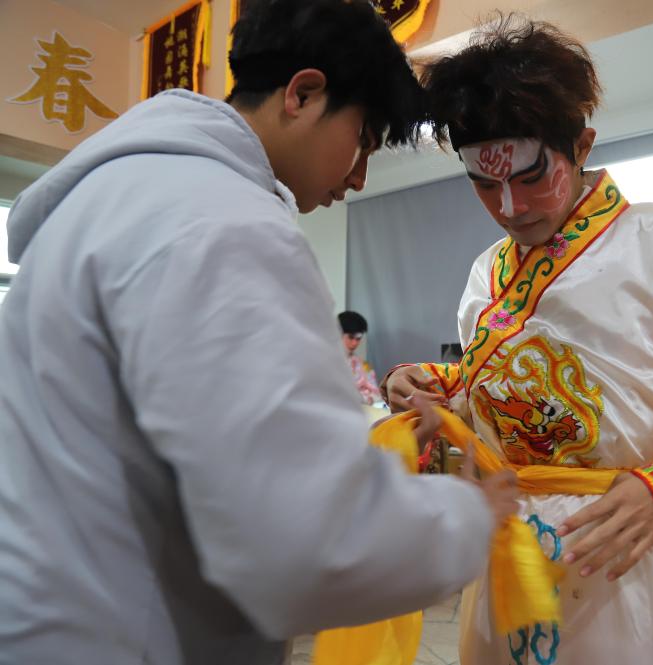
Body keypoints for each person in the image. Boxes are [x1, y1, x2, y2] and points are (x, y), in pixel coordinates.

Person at [0, 1, 518, 664]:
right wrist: (467, 518)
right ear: (302, 94)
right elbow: (301, 541)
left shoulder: (116, 196)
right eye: (362, 140)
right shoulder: (225, 225)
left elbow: (197, 444)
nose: (359, 177)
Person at [384, 17, 653, 663]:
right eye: (484, 183)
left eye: (531, 176)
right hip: (511, 560)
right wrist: (430, 384)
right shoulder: (487, 272)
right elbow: (495, 386)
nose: (510, 206)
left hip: (628, 551)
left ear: (581, 145)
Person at [338, 310, 381, 405]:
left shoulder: (363, 365)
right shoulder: (326, 362)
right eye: (350, 337)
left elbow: (376, 395)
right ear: (338, 334)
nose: (354, 343)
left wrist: (366, 398)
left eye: (358, 338)